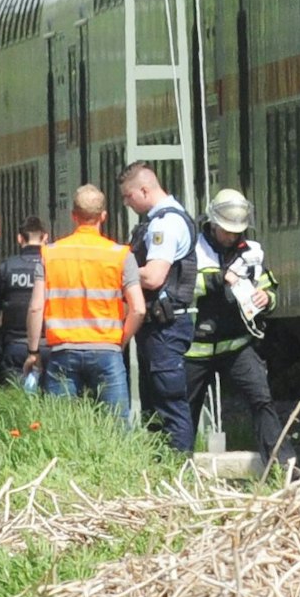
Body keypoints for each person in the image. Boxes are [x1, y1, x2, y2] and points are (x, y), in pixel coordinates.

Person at [185, 188, 297, 472]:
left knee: (262, 399)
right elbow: (184, 288)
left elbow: (268, 286)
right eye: (226, 231)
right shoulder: (192, 249)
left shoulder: (253, 252)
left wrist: (266, 299)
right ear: (212, 223)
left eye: (237, 232)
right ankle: (176, 469)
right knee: (186, 411)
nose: (232, 237)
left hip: (236, 346)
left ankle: (283, 466)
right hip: (195, 349)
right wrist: (218, 280)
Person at [25, 185, 143, 414]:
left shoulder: (50, 253)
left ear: (73, 216)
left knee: (61, 430)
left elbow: (36, 307)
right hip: (107, 351)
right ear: (104, 216)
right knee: (116, 429)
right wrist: (121, 341)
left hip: (63, 351)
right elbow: (138, 309)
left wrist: (33, 352)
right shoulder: (120, 255)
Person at [118, 161, 198, 455]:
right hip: (159, 327)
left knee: (168, 404)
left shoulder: (165, 224)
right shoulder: (158, 221)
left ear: (144, 189)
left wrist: (115, 268)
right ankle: (160, 470)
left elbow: (153, 276)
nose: (127, 203)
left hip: (166, 328)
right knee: (154, 406)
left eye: (128, 196)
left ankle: (177, 470)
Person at [0, 216, 48, 390]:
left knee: (15, 402)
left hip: (15, 345)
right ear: (45, 238)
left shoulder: (6, 267)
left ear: (19, 238)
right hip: (49, 345)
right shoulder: (53, 266)